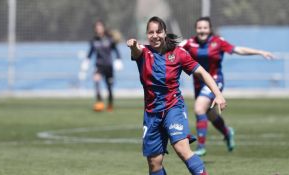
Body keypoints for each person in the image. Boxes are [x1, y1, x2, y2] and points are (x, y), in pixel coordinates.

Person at [127, 16, 227, 175]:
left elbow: (201, 72)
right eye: (151, 32)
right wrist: (132, 46)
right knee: (154, 163)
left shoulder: (178, 53)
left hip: (173, 107)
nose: (155, 36)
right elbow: (136, 50)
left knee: (182, 149)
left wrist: (218, 94)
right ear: (146, 34)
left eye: (158, 32)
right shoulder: (143, 52)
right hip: (152, 113)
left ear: (165, 32)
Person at [180, 16, 275, 156]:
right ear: (196, 29)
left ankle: (201, 146)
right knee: (210, 115)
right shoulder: (189, 43)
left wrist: (260, 52)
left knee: (199, 108)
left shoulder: (218, 42)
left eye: (205, 28)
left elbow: (238, 50)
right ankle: (227, 132)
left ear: (210, 29)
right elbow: (171, 49)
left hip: (215, 81)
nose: (202, 30)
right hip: (199, 84)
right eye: (199, 28)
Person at [80, 20, 123, 112]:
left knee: (109, 87)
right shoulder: (94, 40)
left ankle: (110, 104)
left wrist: (118, 60)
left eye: (100, 27)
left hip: (108, 66)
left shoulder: (109, 38)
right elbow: (91, 52)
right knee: (96, 80)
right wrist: (86, 62)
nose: (98, 29)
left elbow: (116, 50)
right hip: (99, 65)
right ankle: (99, 102)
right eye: (97, 27)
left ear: (103, 28)